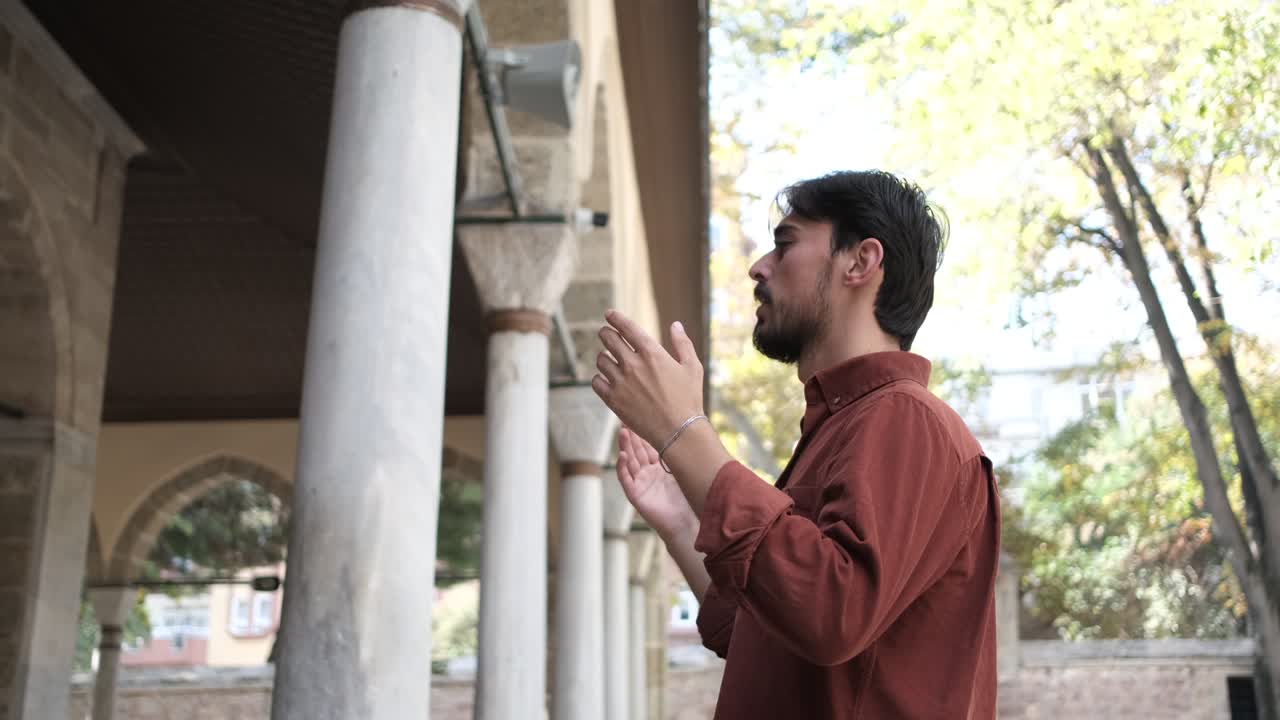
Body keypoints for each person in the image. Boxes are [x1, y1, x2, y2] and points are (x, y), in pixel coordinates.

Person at [590, 170, 1000, 719]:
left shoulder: (905, 417)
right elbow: (769, 634)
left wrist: (684, 431)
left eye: (785, 245)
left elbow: (832, 612)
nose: (759, 266)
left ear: (860, 262)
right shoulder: (844, 426)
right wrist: (682, 521)